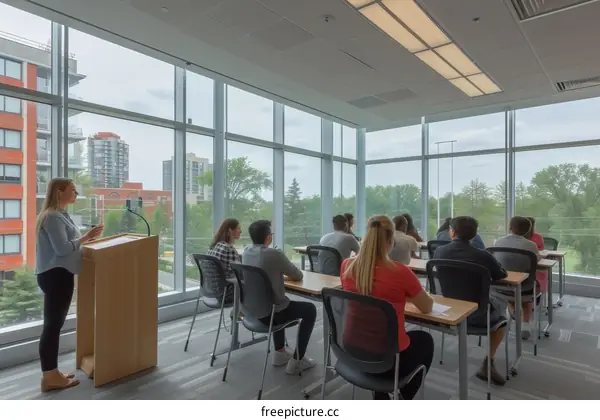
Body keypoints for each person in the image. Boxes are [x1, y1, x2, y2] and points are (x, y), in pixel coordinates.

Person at [341, 215, 434, 400]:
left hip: (351, 348)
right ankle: (403, 398)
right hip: (389, 358)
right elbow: (427, 307)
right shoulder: (400, 272)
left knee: (377, 332)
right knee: (425, 340)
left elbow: (367, 292)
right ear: (391, 240)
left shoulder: (347, 266)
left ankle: (381, 397)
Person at [35, 178, 104, 392]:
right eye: (72, 190)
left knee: (53, 325)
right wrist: (86, 237)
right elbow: (63, 249)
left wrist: (86, 239)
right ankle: (50, 377)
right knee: (52, 327)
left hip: (57, 275)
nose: (76, 194)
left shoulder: (60, 215)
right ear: (58, 192)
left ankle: (52, 372)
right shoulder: (53, 217)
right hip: (56, 276)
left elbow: (68, 245)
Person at [433, 216, 507, 386]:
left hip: (447, 309)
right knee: (503, 314)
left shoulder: (439, 252)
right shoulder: (483, 256)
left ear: (452, 232)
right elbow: (501, 274)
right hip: (477, 314)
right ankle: (488, 363)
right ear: (474, 235)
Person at [243, 220, 317, 374]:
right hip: (271, 313)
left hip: (253, 312)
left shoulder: (246, 252)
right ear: (268, 237)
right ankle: (297, 359)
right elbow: (297, 274)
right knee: (309, 309)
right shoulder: (273, 254)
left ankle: (279, 352)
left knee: (279, 300)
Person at [493, 216, 541, 340]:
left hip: (499, 287)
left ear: (510, 227)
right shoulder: (531, 245)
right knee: (529, 292)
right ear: (527, 230)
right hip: (525, 287)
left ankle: (514, 310)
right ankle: (525, 324)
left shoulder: (498, 242)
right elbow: (537, 260)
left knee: (512, 290)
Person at [206, 218, 242, 304]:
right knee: (255, 285)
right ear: (230, 230)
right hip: (226, 293)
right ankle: (241, 313)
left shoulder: (213, 246)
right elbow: (240, 273)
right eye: (238, 228)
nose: (240, 231)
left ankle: (238, 312)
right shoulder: (228, 248)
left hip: (211, 291)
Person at [526, 216, 547, 294]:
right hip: (534, 265)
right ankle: (539, 292)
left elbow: (541, 250)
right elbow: (541, 251)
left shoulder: (537, 237)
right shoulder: (535, 239)